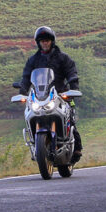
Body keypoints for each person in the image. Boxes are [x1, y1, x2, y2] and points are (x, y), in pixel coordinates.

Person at [16, 26, 83, 162]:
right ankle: (38, 146)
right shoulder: (33, 60)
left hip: (62, 95)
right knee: (31, 114)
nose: (44, 43)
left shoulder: (63, 58)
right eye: (42, 41)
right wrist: (22, 90)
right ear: (38, 43)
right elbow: (26, 76)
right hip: (41, 96)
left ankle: (77, 148)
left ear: (52, 41)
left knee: (71, 119)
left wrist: (73, 87)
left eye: (47, 40)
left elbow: (71, 73)